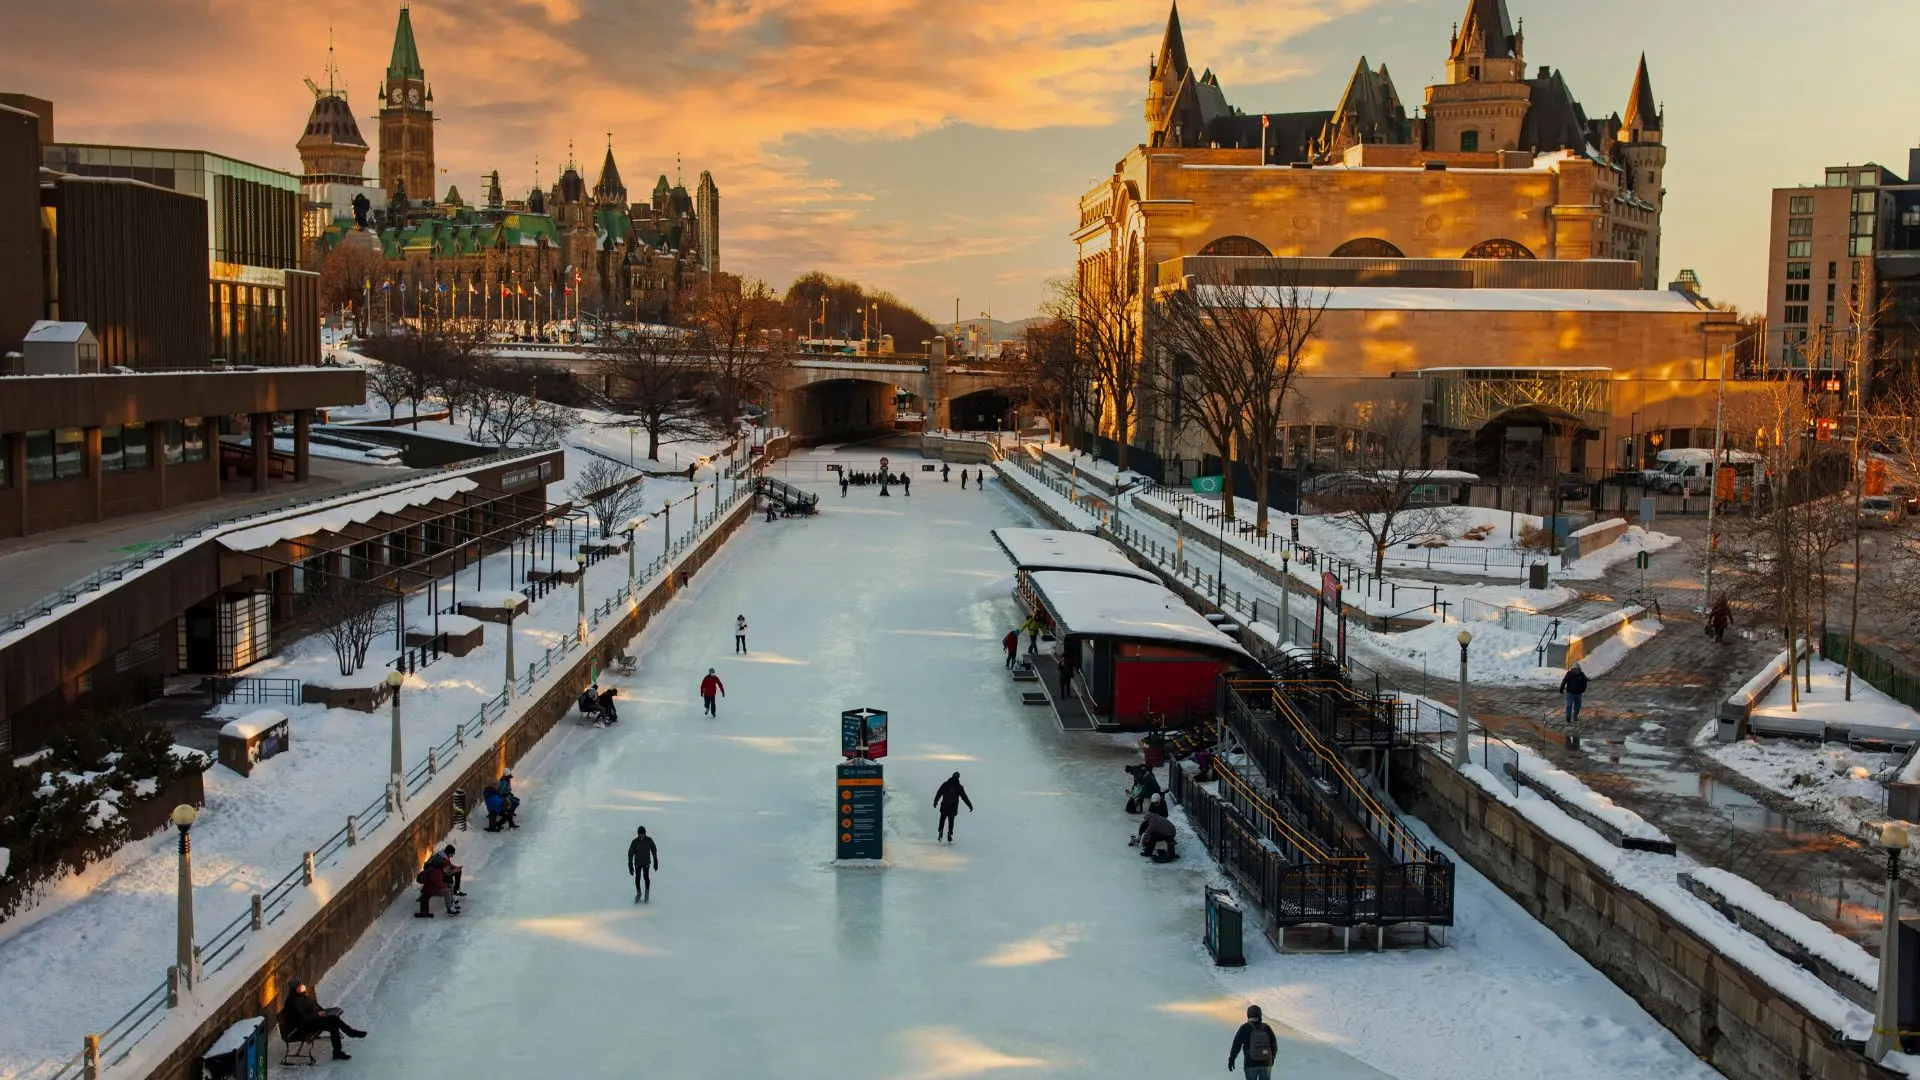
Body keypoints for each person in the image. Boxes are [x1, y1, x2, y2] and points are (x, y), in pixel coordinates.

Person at [281, 980, 366, 1061]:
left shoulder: (301, 996)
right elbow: (303, 1018)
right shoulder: (293, 1002)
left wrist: (321, 1011)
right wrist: (317, 1014)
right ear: (294, 990)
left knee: (334, 1021)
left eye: (301, 986)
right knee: (334, 1022)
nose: (302, 988)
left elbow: (313, 1004)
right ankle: (348, 1037)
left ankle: (343, 1044)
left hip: (314, 1019)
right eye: (299, 987)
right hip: (306, 1026)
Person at [1228, 1005, 1278, 1079]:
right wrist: (1272, 1058)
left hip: (1250, 1063)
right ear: (1260, 1014)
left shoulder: (1244, 1028)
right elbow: (1274, 1046)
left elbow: (1236, 1045)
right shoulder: (1267, 1028)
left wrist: (1232, 1059)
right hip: (1266, 1062)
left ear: (1248, 1015)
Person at [933, 771, 973, 842]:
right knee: (951, 821)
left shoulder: (945, 784)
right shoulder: (959, 787)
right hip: (953, 808)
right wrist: (969, 805)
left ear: (952, 776)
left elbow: (939, 793)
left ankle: (940, 831)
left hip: (944, 806)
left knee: (942, 819)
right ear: (958, 777)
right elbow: (964, 797)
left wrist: (935, 801)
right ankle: (949, 834)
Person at [628, 825, 659, 902]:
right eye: (640, 834)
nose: (641, 836)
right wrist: (630, 864)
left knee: (646, 877)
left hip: (646, 863)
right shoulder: (635, 842)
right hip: (638, 863)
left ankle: (647, 893)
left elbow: (654, 849)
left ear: (645, 834)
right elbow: (630, 853)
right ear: (638, 834)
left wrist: (655, 860)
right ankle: (638, 893)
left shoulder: (649, 840)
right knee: (637, 878)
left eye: (643, 834)